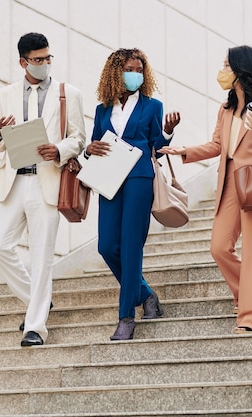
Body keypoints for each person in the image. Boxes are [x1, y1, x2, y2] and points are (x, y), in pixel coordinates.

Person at [160, 45, 252, 334]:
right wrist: (184, 151)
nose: (223, 71)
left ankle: (251, 317)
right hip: (228, 184)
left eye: (227, 66)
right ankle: (249, 293)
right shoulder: (226, 109)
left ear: (242, 69)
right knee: (218, 247)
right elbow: (218, 146)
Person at [0, 32, 86, 346]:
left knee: (42, 257)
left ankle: (35, 327)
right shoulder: (4, 94)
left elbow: (79, 138)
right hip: (14, 181)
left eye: (47, 58)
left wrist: (58, 150)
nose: (44, 64)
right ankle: (36, 299)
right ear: (23, 61)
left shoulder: (68, 93)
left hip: (48, 181)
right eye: (37, 60)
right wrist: (0, 133)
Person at [85, 48, 180, 341]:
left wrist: (167, 133)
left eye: (139, 70)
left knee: (130, 247)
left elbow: (157, 145)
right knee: (106, 246)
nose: (135, 74)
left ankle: (126, 317)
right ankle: (147, 294)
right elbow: (93, 143)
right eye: (129, 69)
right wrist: (89, 149)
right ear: (116, 72)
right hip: (109, 178)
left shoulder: (153, 106)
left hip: (139, 177)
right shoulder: (102, 109)